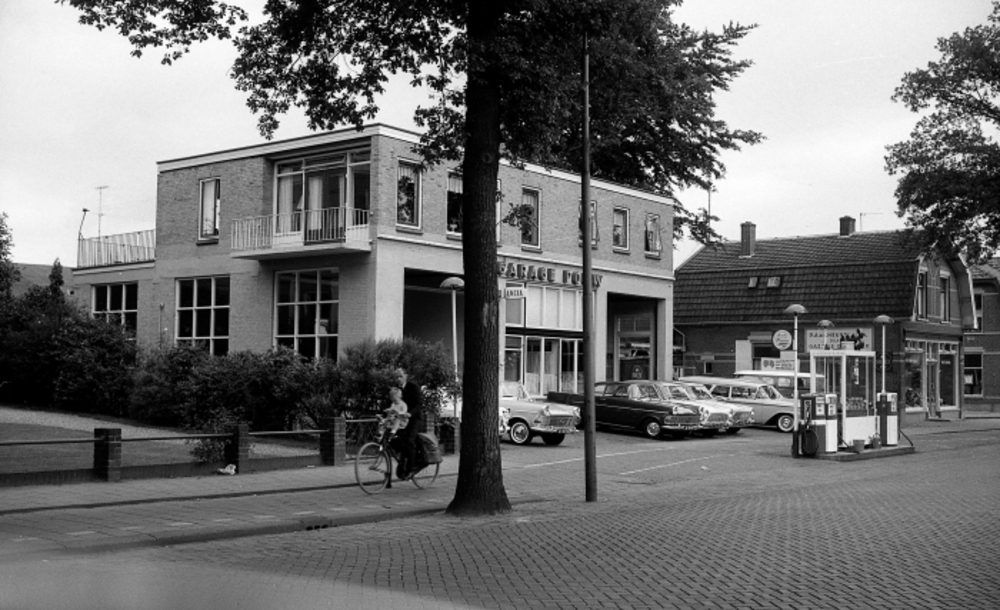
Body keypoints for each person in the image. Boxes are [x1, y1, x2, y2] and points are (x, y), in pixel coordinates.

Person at [393, 367, 424, 479]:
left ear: (406, 376)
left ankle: (412, 467)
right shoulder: (395, 390)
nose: (398, 379)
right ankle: (403, 459)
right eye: (396, 377)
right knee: (394, 438)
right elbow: (391, 404)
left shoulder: (413, 387)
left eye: (400, 376)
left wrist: (410, 413)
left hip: (414, 419)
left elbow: (419, 403)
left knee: (410, 440)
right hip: (401, 419)